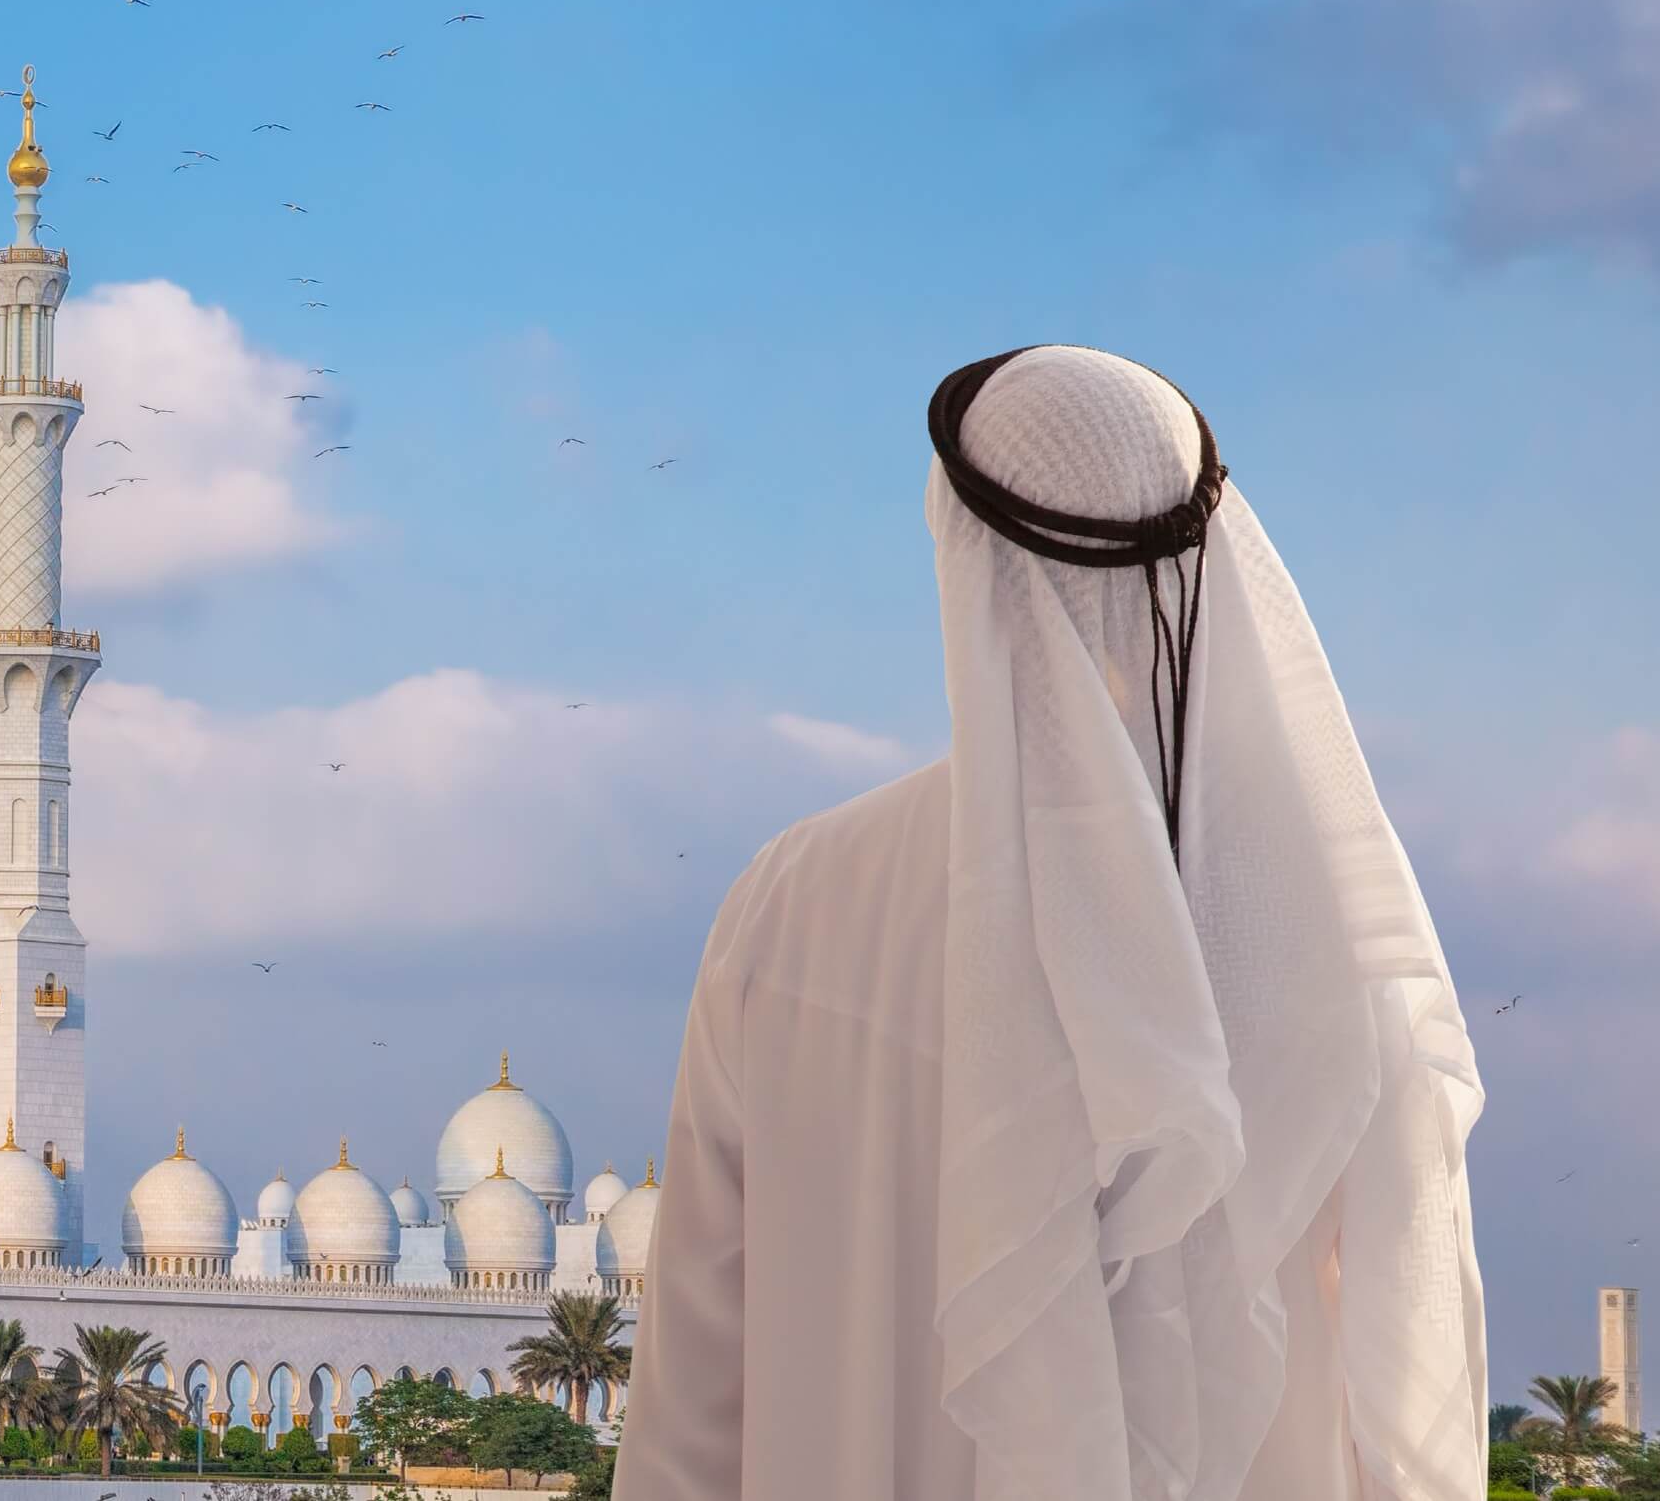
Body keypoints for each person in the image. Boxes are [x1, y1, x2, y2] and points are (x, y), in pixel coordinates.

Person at [621, 346, 1483, 1500]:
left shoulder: (790, 902)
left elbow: (692, 1389)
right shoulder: (1322, 919)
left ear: (960, 551)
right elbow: (1414, 1393)